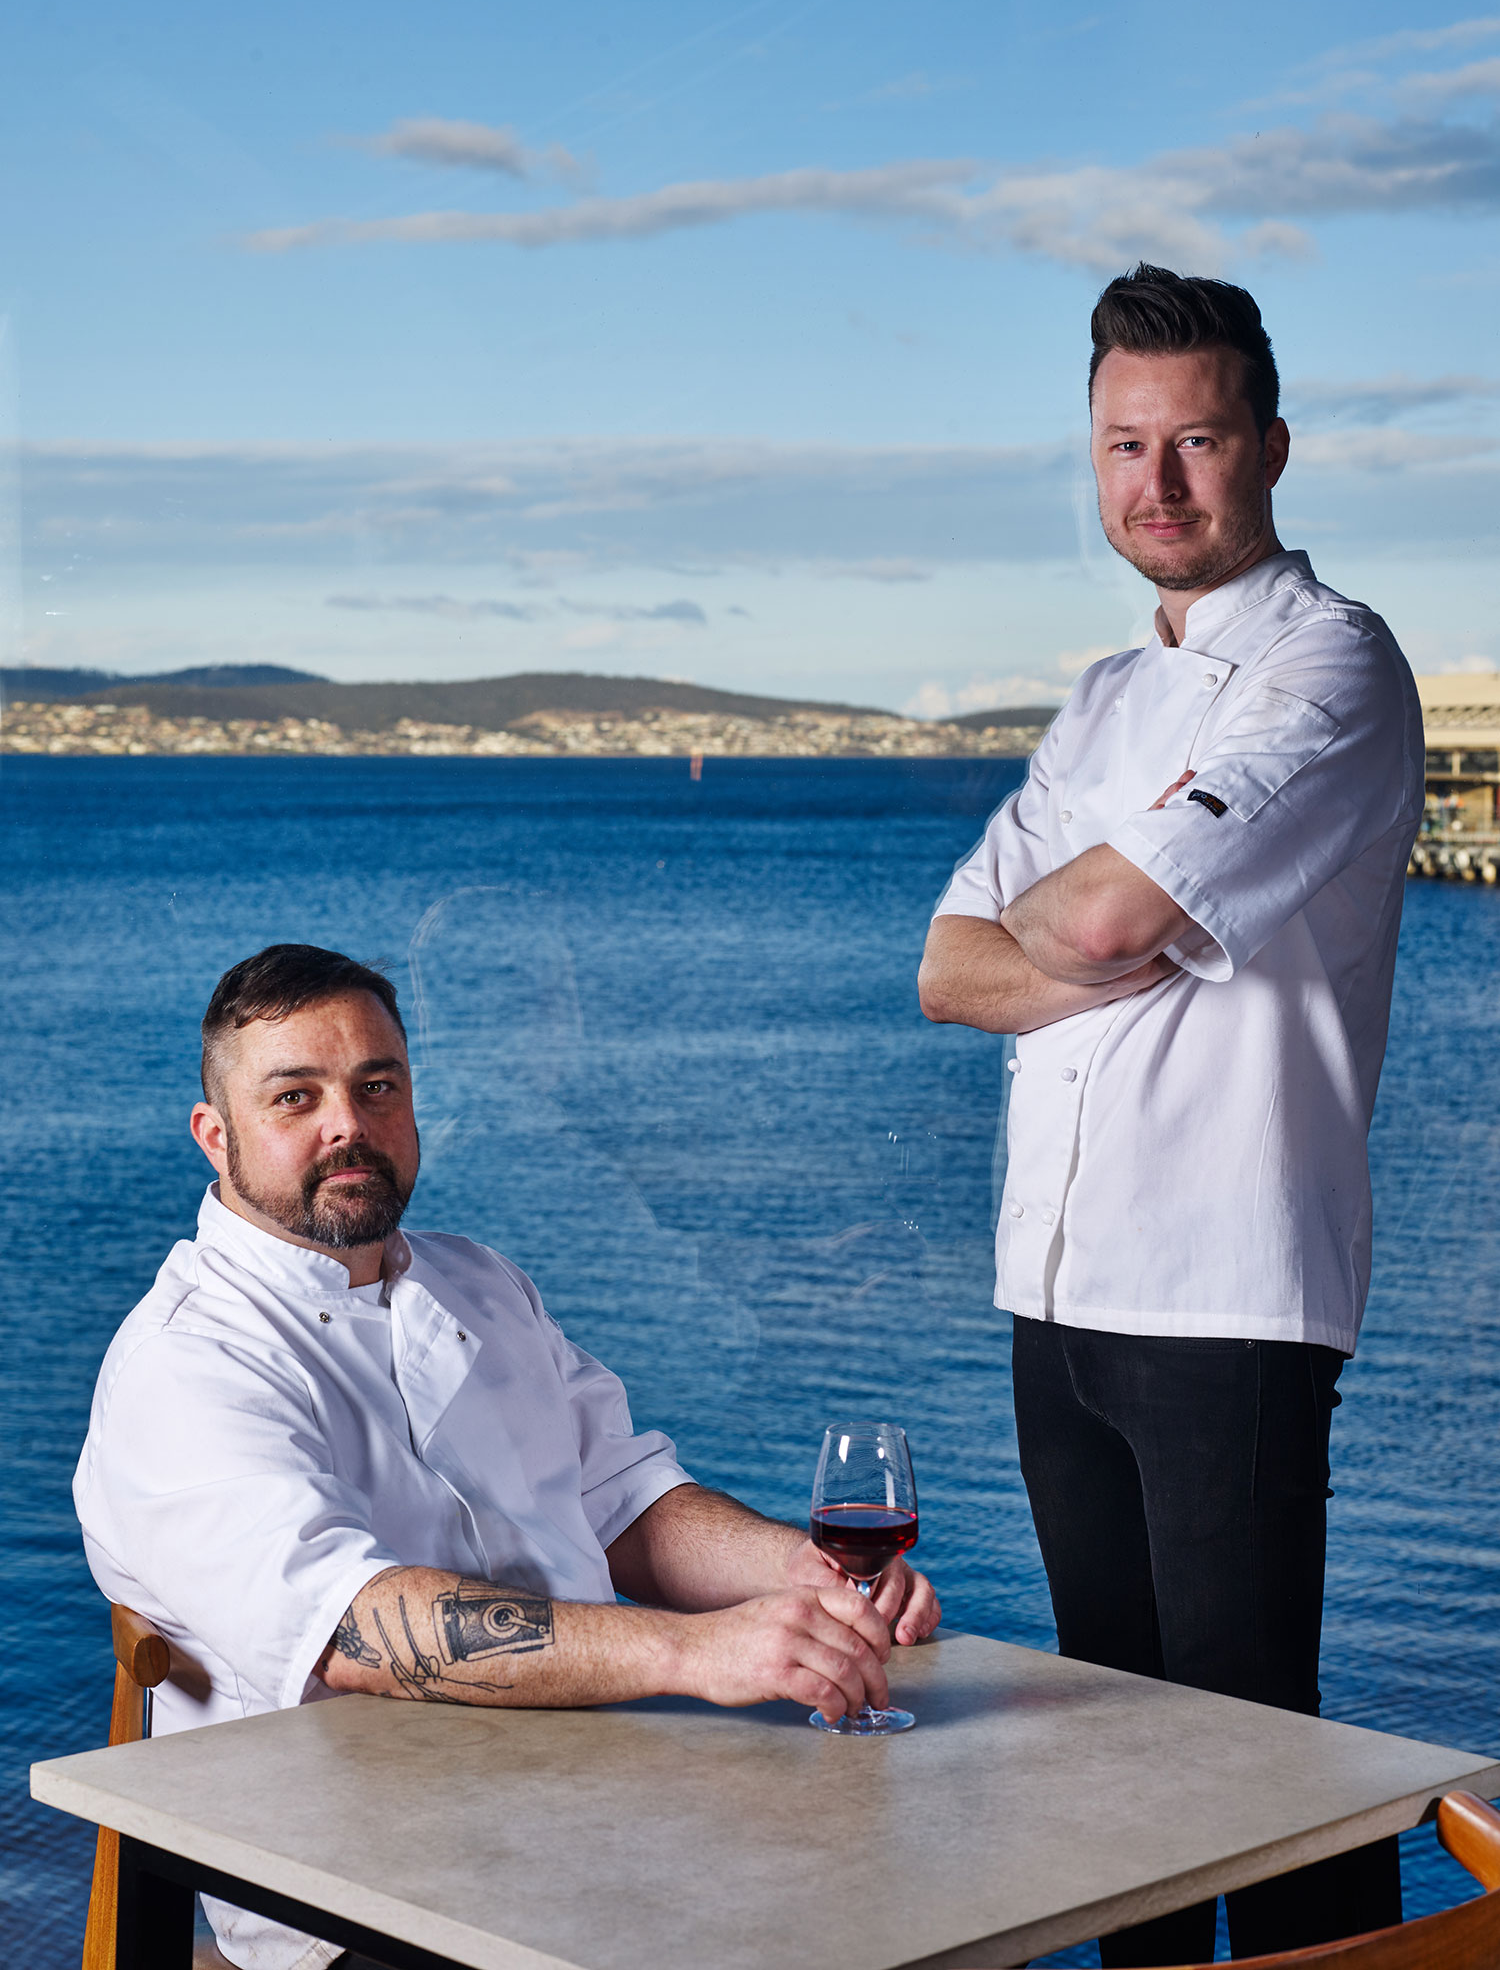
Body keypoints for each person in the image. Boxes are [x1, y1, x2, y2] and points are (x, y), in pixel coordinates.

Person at [76, 943, 939, 1970]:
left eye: (377, 1085)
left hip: (600, 1780)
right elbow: (354, 1628)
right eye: (295, 1095)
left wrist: (796, 1575)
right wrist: (696, 1651)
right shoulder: (186, 1359)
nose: (347, 1122)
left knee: (928, 1885)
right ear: (215, 1138)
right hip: (348, 1871)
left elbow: (626, 1500)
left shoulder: (477, 1281)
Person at [918, 264, 1422, 1966]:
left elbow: (1101, 924)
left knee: (1259, 1764)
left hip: (1224, 1294)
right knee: (1110, 1780)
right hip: (1052, 1298)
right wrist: (1099, 936)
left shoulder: (1331, 666)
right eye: (1125, 448)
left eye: (1195, 440)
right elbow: (948, 966)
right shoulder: (1102, 698)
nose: (1159, 485)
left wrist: (1087, 930)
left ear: (1271, 445)